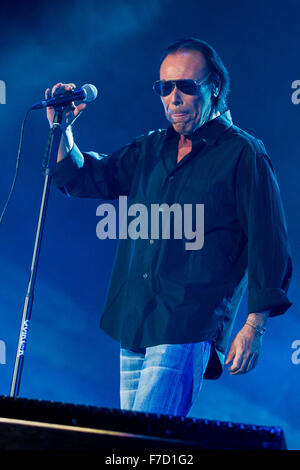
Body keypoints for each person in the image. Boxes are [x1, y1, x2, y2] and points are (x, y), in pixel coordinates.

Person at [47, 38, 292, 417]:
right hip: (135, 318)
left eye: (186, 87)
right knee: (136, 439)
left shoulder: (244, 155)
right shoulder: (152, 148)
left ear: (214, 88)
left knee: (149, 439)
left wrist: (254, 326)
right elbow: (88, 178)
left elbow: (269, 243)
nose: (173, 98)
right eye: (165, 87)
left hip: (186, 322)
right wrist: (63, 130)